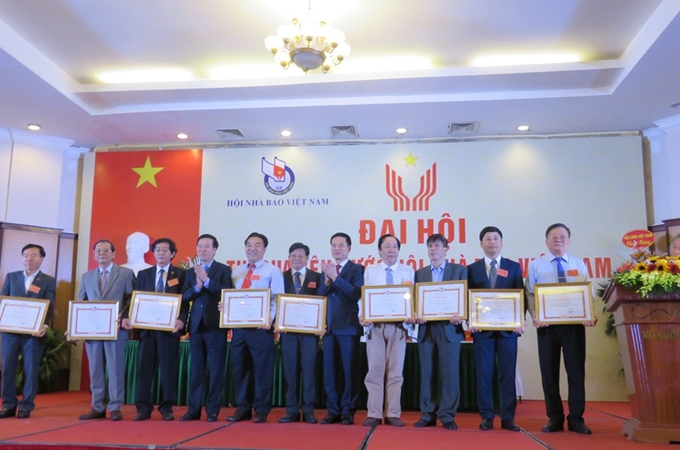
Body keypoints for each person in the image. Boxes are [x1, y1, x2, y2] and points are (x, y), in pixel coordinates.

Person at [525, 223, 597, 435]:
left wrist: (589, 314)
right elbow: (529, 293)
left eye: (563, 237)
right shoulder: (536, 265)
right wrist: (535, 316)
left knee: (576, 373)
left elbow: (587, 292)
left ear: (569, 241)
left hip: (574, 327)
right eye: (554, 237)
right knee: (549, 374)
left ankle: (576, 419)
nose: (559, 240)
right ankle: (554, 418)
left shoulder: (578, 264)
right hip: (547, 328)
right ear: (546, 241)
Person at [467, 226, 524, 432]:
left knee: (507, 374)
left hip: (509, 331)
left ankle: (508, 418)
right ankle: (487, 416)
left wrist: (519, 321)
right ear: (481, 243)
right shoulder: (472, 269)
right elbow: (468, 298)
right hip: (482, 331)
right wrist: (470, 320)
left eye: (496, 238)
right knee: (484, 374)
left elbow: (520, 295)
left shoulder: (513, 266)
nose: (492, 242)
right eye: (488, 239)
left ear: (502, 242)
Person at [227, 232, 284, 424]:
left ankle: (261, 409)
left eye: (257, 245)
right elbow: (231, 298)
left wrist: (270, 318)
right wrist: (225, 308)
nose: (252, 248)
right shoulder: (236, 271)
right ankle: (242, 408)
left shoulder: (272, 271)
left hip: (261, 328)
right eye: (249, 245)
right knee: (240, 369)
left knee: (262, 370)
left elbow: (277, 298)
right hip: (239, 328)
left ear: (264, 249)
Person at [78, 239, 135, 421]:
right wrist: (77, 327)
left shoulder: (125, 273)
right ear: (94, 254)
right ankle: (97, 406)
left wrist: (124, 317)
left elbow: (131, 299)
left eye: (105, 250)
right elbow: (82, 303)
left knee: (115, 368)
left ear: (113, 254)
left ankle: (115, 406)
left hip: (116, 329)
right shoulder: (87, 276)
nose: (101, 253)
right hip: (93, 331)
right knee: (95, 369)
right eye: (98, 251)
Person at [361, 234, 414, 427]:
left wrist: (411, 313)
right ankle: (374, 413)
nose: (391, 250)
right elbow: (364, 296)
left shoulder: (408, 271)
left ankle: (393, 413)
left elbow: (412, 298)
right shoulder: (371, 271)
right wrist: (363, 315)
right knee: (375, 370)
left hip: (399, 327)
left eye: (395, 247)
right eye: (387, 246)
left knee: (395, 372)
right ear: (379, 250)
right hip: (375, 327)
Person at [414, 233, 466, 430]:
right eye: (430, 246)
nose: (433, 250)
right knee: (427, 372)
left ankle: (447, 415)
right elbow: (415, 300)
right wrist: (416, 313)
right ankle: (427, 414)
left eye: (437, 246)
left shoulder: (459, 270)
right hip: (426, 329)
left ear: (446, 249)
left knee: (450, 373)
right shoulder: (420, 273)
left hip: (449, 328)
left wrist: (460, 314)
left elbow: (464, 299)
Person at [180, 234, 233, 422]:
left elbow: (227, 293)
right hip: (195, 327)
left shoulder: (224, 270)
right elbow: (184, 296)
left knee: (216, 369)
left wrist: (207, 281)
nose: (202, 249)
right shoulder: (190, 271)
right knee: (196, 370)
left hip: (215, 326)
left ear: (215, 249)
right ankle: (193, 409)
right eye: (199, 246)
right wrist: (196, 286)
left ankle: (212, 410)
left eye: (206, 246)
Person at [133, 238, 187, 421]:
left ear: (172, 253)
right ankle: (143, 408)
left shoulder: (180, 274)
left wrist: (181, 319)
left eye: (165, 250)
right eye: (158, 250)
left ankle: (167, 407)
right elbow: (135, 300)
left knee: (168, 370)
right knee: (144, 369)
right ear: (153, 253)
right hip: (147, 330)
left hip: (169, 330)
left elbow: (185, 301)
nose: (161, 253)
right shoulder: (143, 274)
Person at [0, 244, 57, 419]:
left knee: (30, 369)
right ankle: (8, 404)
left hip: (34, 333)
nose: (28, 259)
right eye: (25, 255)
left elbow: (49, 306)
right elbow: (3, 300)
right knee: (7, 368)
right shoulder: (12, 277)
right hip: (10, 332)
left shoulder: (48, 280)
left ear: (41, 258)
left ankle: (26, 405)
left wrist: (44, 326)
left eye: (33, 255)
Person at [316, 232, 364, 425]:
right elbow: (320, 296)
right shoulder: (325, 271)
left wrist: (335, 278)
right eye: (334, 245)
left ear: (349, 249)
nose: (337, 248)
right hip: (329, 329)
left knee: (349, 372)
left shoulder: (357, 269)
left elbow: (355, 293)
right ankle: (333, 410)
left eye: (341, 245)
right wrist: (327, 282)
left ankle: (347, 411)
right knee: (330, 373)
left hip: (349, 328)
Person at [278, 242, 322, 424]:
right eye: (293, 256)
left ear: (307, 258)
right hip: (287, 332)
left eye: (300, 256)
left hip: (309, 334)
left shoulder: (317, 277)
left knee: (309, 371)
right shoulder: (281, 277)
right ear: (289, 257)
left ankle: (309, 410)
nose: (297, 259)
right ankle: (291, 410)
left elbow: (321, 301)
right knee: (290, 372)